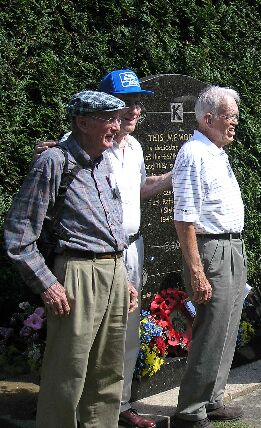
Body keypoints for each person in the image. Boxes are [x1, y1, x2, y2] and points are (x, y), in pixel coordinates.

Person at [35, 69, 172, 428]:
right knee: (74, 357)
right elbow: (29, 223)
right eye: (122, 104)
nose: (132, 111)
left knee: (117, 346)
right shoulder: (78, 150)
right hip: (83, 260)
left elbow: (133, 193)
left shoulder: (133, 147)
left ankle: (119, 406)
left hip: (123, 253)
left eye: (136, 103)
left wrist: (176, 175)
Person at [4, 91, 137, 427]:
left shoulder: (104, 161)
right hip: (78, 274)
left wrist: (123, 277)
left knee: (108, 373)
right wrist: (46, 283)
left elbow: (109, 225)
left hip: (113, 271)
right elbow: (19, 234)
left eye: (118, 118)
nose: (116, 125)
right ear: (82, 123)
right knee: (68, 374)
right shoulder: (53, 162)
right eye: (109, 119)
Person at [171, 85, 246, 428]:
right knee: (211, 329)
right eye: (230, 116)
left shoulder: (215, 152)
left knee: (227, 327)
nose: (235, 123)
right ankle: (189, 410)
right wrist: (197, 271)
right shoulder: (193, 154)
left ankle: (212, 398)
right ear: (207, 118)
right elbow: (185, 218)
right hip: (211, 249)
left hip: (231, 246)